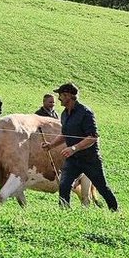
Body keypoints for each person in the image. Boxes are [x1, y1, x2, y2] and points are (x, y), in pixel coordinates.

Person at [40, 82, 118, 211]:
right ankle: (64, 212)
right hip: (73, 160)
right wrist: (51, 145)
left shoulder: (85, 113)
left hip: (89, 159)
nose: (58, 98)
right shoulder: (64, 114)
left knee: (102, 187)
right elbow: (65, 134)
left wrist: (74, 148)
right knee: (64, 186)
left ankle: (115, 211)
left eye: (60, 95)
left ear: (68, 95)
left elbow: (92, 137)